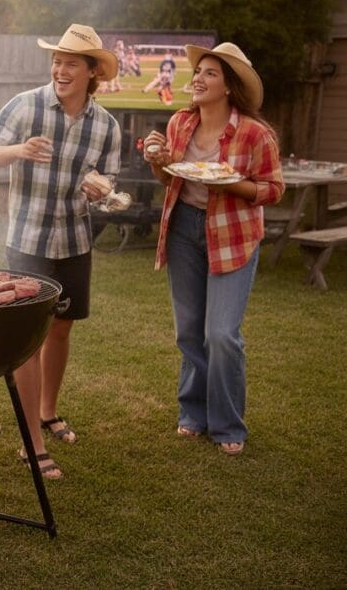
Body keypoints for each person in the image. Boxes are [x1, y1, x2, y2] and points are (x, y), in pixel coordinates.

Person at [0, 23, 121, 480]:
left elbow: (108, 182)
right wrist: (18, 149)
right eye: (56, 61)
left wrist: (102, 191)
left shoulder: (106, 126)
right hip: (29, 241)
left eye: (70, 63)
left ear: (91, 72)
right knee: (29, 342)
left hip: (75, 241)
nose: (60, 69)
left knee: (61, 329)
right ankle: (32, 444)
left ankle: (47, 413)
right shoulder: (26, 105)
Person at [142, 42, 284, 456]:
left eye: (210, 74)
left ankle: (226, 423)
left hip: (234, 233)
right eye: (198, 71)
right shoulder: (180, 124)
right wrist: (158, 160)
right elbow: (172, 179)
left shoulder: (256, 134)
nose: (198, 79)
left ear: (228, 87)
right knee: (189, 331)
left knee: (221, 334)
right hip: (185, 227)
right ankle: (193, 413)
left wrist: (232, 184)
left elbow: (273, 189)